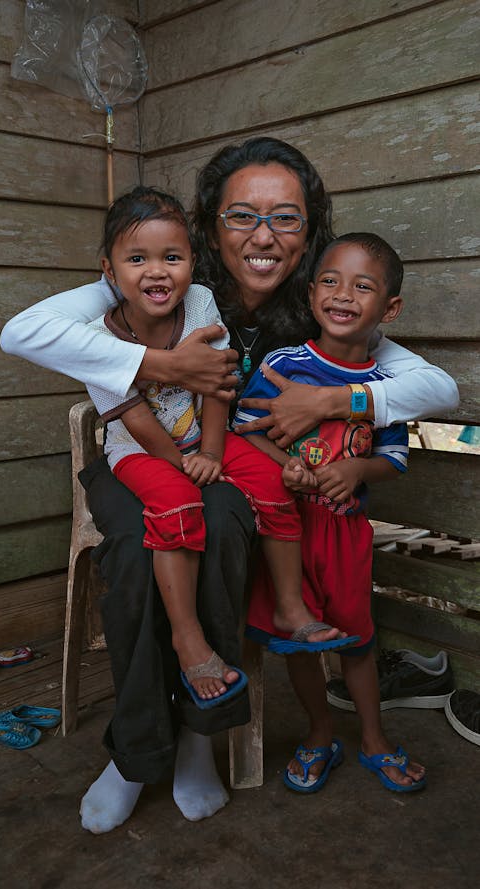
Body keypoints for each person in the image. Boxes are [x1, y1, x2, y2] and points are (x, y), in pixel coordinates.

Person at [0, 137, 459, 831]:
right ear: (211, 224)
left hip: (228, 463)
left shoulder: (320, 303)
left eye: (288, 217)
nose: (265, 235)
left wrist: (338, 402)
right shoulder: (157, 268)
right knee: (131, 546)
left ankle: (197, 739)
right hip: (140, 453)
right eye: (243, 215)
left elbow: (438, 386)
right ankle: (133, 753)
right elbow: (23, 331)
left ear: (311, 233)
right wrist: (163, 364)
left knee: (220, 529)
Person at [86, 184, 348, 707]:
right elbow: (135, 416)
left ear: (192, 262)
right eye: (137, 259)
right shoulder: (97, 337)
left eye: (172, 257)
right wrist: (181, 463)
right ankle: (188, 640)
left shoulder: (201, 301)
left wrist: (210, 452)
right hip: (141, 449)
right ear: (110, 272)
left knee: (275, 485)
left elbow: (217, 386)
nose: (157, 271)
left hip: (206, 432)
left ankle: (289, 610)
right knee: (177, 505)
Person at [233, 231, 425, 792]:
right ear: (313, 292)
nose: (343, 295)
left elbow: (392, 457)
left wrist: (357, 471)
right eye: (331, 282)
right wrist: (282, 468)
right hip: (287, 534)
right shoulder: (284, 362)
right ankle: (320, 735)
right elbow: (248, 430)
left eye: (362, 287)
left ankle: (374, 738)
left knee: (358, 642)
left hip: (346, 534)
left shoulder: (386, 386)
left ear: (388, 308)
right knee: (300, 644)